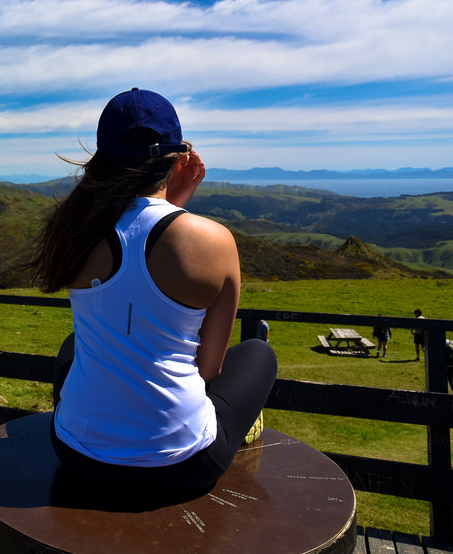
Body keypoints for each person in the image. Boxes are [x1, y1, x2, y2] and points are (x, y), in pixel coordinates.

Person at [29, 88, 277, 504]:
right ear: (179, 160)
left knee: (75, 347)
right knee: (258, 353)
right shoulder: (215, 242)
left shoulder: (73, 235)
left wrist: (168, 203)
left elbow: (135, 250)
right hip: (183, 467)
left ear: (101, 159)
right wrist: (176, 205)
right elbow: (209, 369)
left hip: (77, 456)